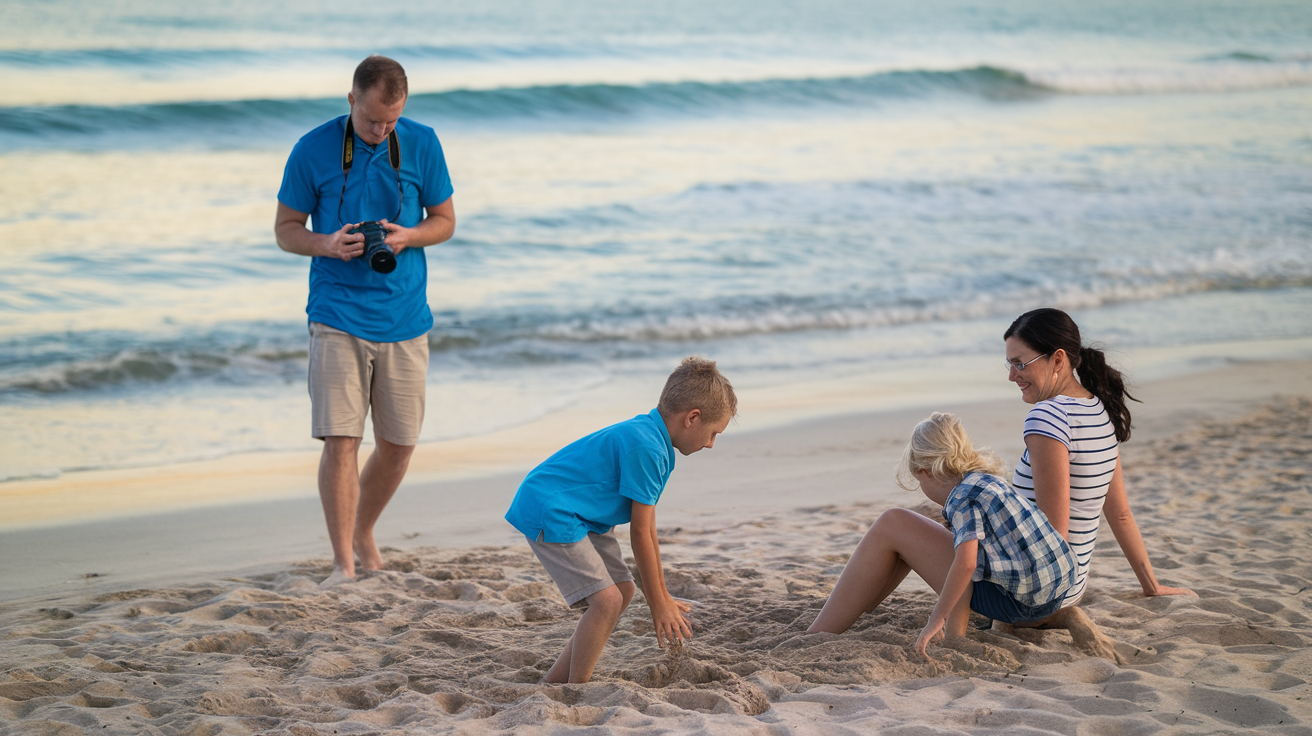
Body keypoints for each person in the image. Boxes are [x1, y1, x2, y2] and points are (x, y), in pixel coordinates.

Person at [274, 55, 456, 586]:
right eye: (373, 120)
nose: (381, 131)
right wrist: (327, 243)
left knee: (399, 444)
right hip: (337, 312)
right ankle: (343, 563)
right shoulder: (313, 148)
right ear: (351, 99)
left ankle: (362, 529)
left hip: (405, 314)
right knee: (342, 439)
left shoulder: (421, 142)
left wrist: (408, 235)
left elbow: (444, 220)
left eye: (391, 121)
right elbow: (286, 229)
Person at [504, 357, 737, 683]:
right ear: (692, 418)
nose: (711, 444)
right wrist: (658, 604)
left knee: (624, 591)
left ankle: (554, 682)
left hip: (582, 515)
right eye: (713, 433)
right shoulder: (648, 448)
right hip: (552, 508)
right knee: (607, 600)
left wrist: (664, 595)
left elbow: (649, 529)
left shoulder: (652, 438)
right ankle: (576, 689)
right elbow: (639, 532)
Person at [807, 413, 1077, 660]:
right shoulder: (985, 480)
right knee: (921, 531)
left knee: (893, 521)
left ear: (925, 470)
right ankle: (863, 602)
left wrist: (937, 619)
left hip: (1017, 604)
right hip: (1053, 593)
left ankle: (819, 632)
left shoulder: (962, 498)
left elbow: (967, 564)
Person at [1002, 308, 1194, 651]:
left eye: (1020, 363)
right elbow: (1120, 514)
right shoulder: (1097, 410)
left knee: (895, 523)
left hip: (1031, 596)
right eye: (1009, 365)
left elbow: (1052, 534)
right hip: (1070, 590)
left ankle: (866, 619)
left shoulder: (1048, 417)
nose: (1012, 376)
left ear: (1057, 359)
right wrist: (1152, 585)